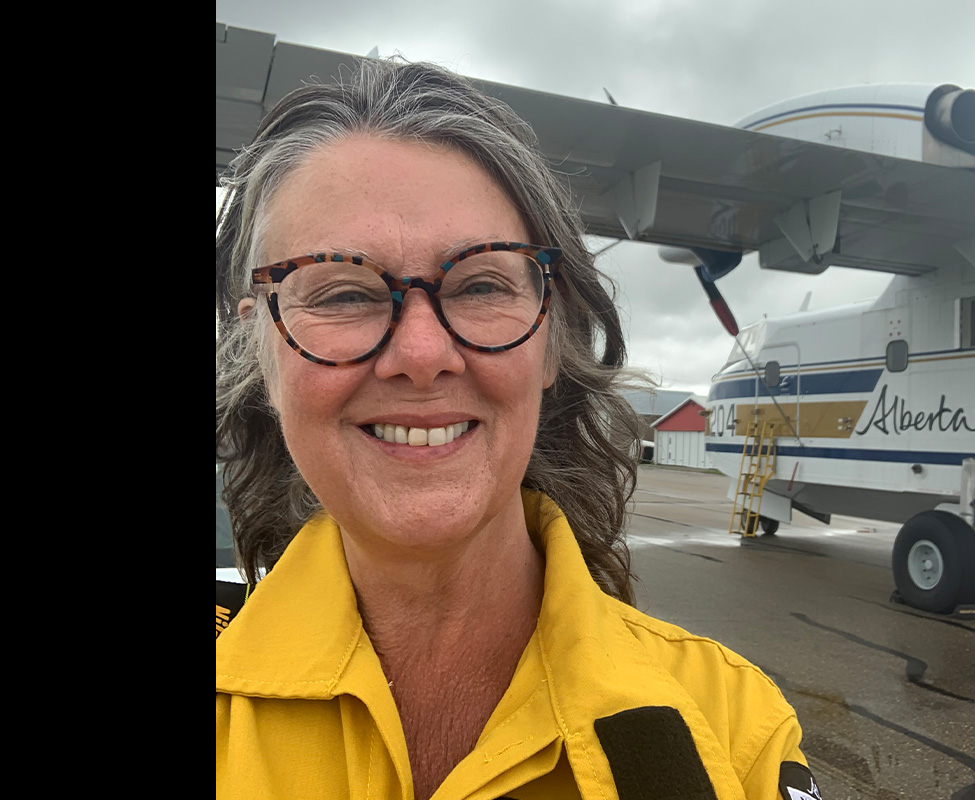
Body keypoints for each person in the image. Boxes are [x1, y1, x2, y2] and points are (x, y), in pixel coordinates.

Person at [215, 58, 820, 800]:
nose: (422, 354)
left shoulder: (736, 731)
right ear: (260, 354)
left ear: (552, 340)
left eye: (480, 285)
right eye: (343, 293)